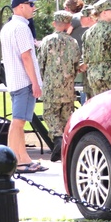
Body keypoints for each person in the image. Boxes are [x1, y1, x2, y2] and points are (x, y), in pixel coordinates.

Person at [0, 0, 45, 173]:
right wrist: (35, 82)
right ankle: (14, 161)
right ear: (21, 6)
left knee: (19, 121)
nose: (34, 8)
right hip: (24, 81)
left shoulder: (8, 27)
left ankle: (23, 158)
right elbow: (26, 57)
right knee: (18, 122)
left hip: (15, 80)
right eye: (31, 4)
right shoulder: (22, 28)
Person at [37, 10, 81, 163]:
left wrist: (42, 80)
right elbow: (76, 64)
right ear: (69, 25)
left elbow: (40, 63)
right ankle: (66, 148)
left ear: (54, 23)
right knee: (66, 118)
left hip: (51, 87)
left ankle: (57, 139)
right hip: (68, 88)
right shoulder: (73, 42)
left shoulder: (47, 41)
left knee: (50, 115)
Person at [81, 0, 111, 100]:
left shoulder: (87, 33)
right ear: (104, 12)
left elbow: (85, 58)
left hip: (93, 77)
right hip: (109, 76)